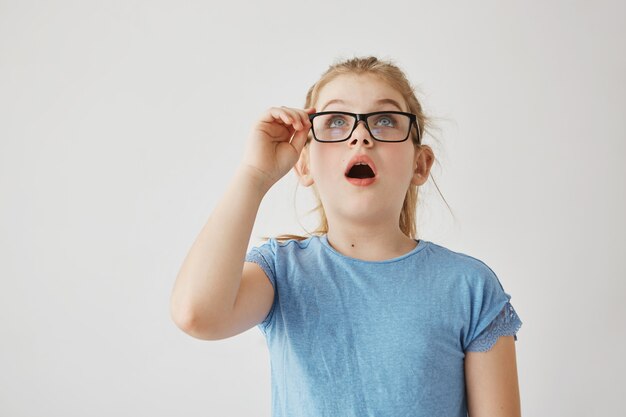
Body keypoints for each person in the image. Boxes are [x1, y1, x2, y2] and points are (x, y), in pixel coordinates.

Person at [170, 56, 523, 417]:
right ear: (304, 164)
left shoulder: (470, 287)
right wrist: (254, 174)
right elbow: (197, 314)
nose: (361, 135)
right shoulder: (280, 272)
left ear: (421, 164)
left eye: (385, 120)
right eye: (336, 121)